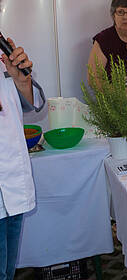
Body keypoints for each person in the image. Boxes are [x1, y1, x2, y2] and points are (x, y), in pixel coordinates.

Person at [0, 35, 45, 280]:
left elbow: (31, 103)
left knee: (7, 271)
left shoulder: (3, 55)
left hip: (11, 181)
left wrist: (21, 80)